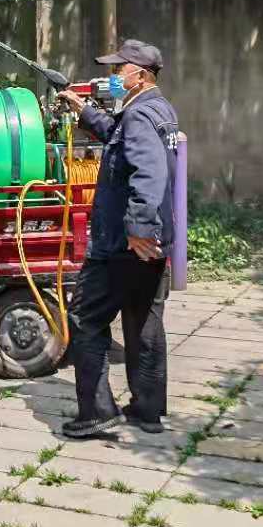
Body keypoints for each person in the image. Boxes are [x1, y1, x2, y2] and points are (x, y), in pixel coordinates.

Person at [58, 39, 179, 438]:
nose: (112, 76)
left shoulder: (140, 116)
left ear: (139, 75)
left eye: (118, 70)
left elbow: (148, 171)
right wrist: (85, 112)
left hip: (122, 244)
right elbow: (120, 141)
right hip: (150, 242)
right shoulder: (154, 109)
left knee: (85, 318)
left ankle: (96, 411)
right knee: (143, 320)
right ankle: (147, 410)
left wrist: (138, 229)